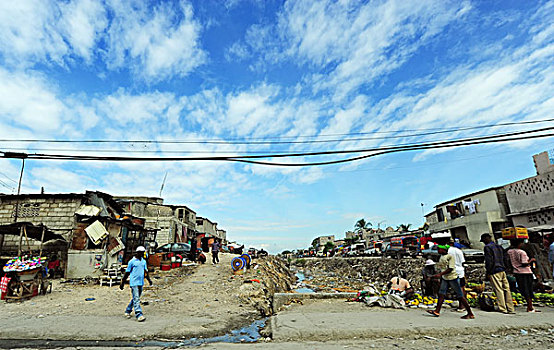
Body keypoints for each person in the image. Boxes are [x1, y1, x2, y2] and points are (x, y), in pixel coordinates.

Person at [426, 245, 474, 319]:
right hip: (445, 278)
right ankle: (437, 310)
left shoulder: (450, 257)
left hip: (452, 278)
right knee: (441, 294)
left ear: (443, 250)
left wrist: (440, 274)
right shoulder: (442, 257)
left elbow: (450, 269)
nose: (438, 250)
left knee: (460, 295)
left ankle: (470, 313)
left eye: (439, 249)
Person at [480, 233, 515, 314]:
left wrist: (488, 272)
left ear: (486, 239)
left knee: (499, 289)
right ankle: (510, 308)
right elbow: (505, 258)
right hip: (502, 269)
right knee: (506, 289)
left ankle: (502, 308)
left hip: (494, 270)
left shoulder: (487, 247)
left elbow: (489, 261)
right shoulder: (499, 246)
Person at [120, 246, 152, 322]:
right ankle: (139, 314)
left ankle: (128, 310)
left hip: (140, 282)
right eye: (141, 253)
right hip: (134, 282)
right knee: (136, 298)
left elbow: (146, 272)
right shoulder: (132, 262)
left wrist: (149, 280)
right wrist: (122, 283)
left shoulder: (143, 262)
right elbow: (127, 273)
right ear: (137, 253)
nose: (142, 254)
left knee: (135, 298)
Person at [508, 239, 540, 313]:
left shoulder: (510, 251)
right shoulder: (521, 252)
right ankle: (530, 307)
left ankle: (530, 307)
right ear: (519, 244)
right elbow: (524, 263)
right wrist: (531, 260)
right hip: (525, 272)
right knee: (528, 290)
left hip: (517, 272)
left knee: (523, 289)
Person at [448, 242, 467, 312]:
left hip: (453, 271)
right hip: (460, 271)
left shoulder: (448, 251)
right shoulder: (459, 251)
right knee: (462, 288)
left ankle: (462, 305)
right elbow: (462, 262)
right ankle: (463, 305)